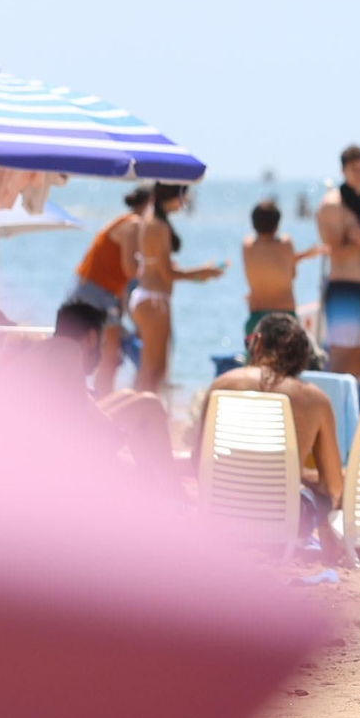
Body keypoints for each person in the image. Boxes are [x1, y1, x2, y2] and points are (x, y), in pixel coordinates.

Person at [200, 313, 345, 561]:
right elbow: (333, 487)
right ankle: (331, 550)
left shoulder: (222, 384)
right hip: (285, 518)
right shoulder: (316, 400)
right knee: (343, 483)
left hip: (222, 512)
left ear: (257, 343)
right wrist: (295, 476)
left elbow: (198, 463)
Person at [48, 301, 178, 493]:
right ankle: (172, 491)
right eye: (103, 344)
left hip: (60, 434)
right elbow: (96, 429)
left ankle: (157, 487)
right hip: (67, 448)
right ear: (91, 338)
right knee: (149, 404)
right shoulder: (70, 355)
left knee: (129, 396)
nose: (102, 353)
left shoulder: (51, 352)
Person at [130, 184, 223, 395]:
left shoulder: (150, 217)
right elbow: (167, 274)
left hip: (147, 297)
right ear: (172, 197)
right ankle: (139, 423)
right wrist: (203, 272)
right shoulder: (159, 225)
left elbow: (158, 266)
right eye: (182, 196)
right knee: (155, 372)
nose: (184, 202)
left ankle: (138, 420)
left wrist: (200, 274)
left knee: (149, 370)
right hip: (154, 300)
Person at [65, 186, 150, 395]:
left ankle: (96, 399)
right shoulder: (134, 224)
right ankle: (103, 404)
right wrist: (159, 268)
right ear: (150, 204)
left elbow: (121, 271)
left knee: (98, 353)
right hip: (97, 292)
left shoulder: (125, 221)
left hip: (95, 290)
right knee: (108, 355)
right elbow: (130, 269)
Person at [315, 145, 360, 378]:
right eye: (355, 168)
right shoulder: (332, 205)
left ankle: (349, 411)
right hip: (343, 285)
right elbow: (333, 252)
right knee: (341, 359)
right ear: (343, 170)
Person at [242, 198, 325, 344]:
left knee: (256, 363)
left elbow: (269, 260)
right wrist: (304, 256)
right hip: (285, 314)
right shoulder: (286, 243)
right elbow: (291, 273)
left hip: (256, 315)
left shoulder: (247, 246)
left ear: (254, 223)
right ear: (277, 224)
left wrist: (303, 256)